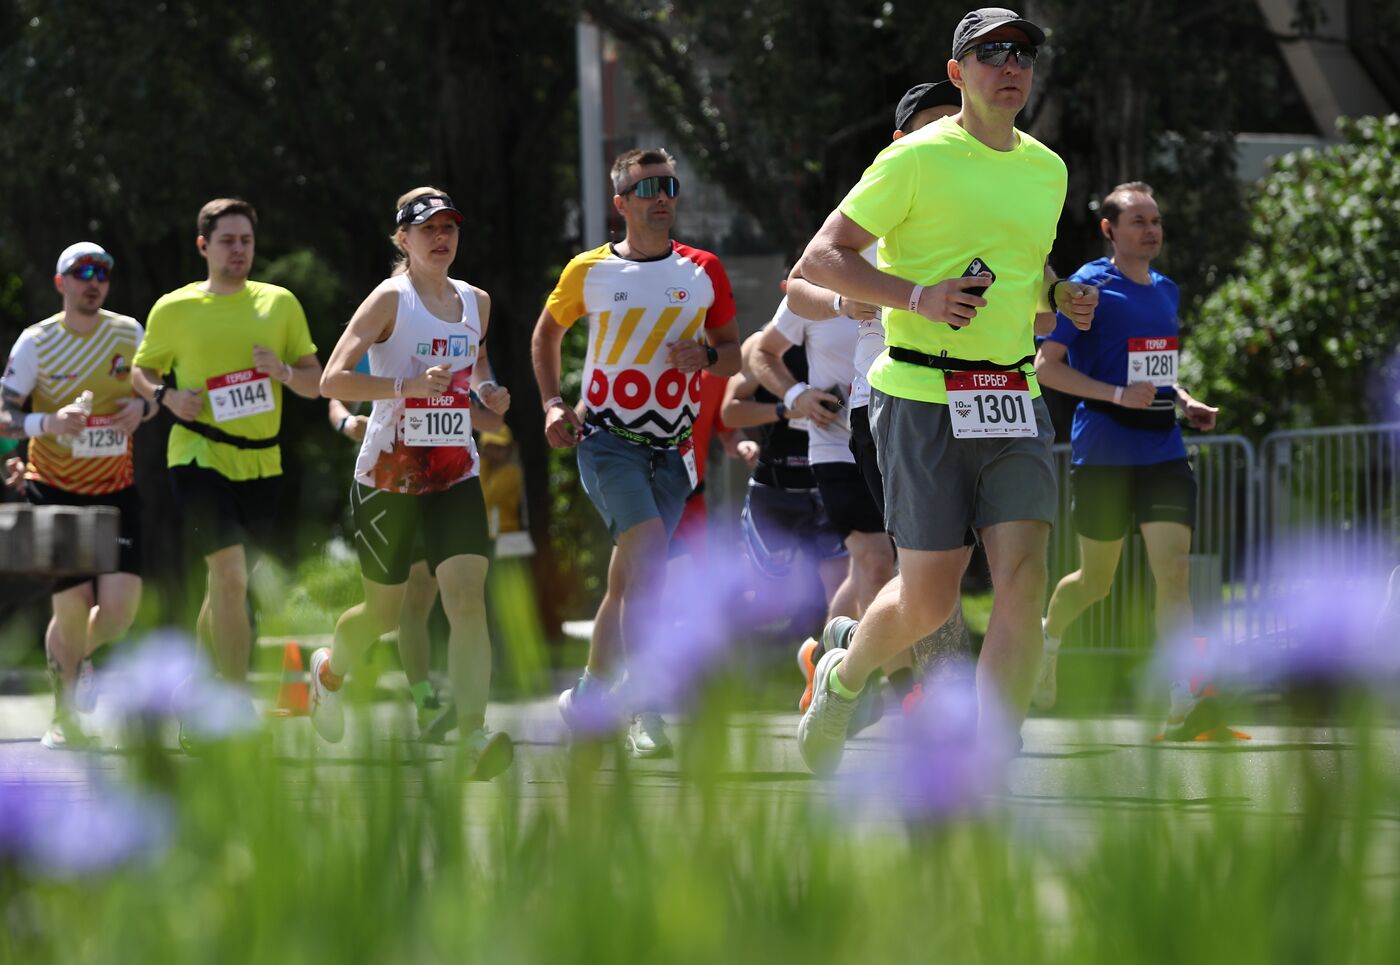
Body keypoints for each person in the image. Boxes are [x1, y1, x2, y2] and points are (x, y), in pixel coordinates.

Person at [792, 8, 1100, 775]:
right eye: (991, 52)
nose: (1011, 65)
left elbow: (1025, 274)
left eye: (1023, 53)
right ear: (958, 73)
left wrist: (1058, 300)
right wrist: (916, 295)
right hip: (921, 393)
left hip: (1012, 392)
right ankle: (845, 673)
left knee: (1023, 576)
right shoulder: (917, 159)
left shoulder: (1047, 169)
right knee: (929, 600)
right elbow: (823, 258)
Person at [532, 148, 740, 758]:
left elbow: (733, 351)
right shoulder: (588, 270)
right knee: (648, 562)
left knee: (627, 581)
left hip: (672, 452)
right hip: (607, 442)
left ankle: (588, 696)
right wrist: (550, 404)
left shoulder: (703, 270)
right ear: (621, 203)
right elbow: (547, 333)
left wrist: (705, 358)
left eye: (669, 185)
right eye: (646, 187)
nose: (661, 196)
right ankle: (643, 708)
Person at [782, 82, 977, 717]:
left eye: (958, 121)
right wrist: (845, 300)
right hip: (891, 402)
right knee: (922, 563)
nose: (951, 133)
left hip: (974, 398)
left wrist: (1056, 304)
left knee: (945, 566)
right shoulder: (886, 199)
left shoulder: (984, 205)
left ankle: (847, 652)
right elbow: (800, 284)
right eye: (935, 124)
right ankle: (937, 705)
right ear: (901, 141)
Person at [312, 187, 514, 776]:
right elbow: (332, 380)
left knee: (467, 599)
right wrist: (403, 388)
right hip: (390, 476)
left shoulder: (476, 300)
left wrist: (487, 392)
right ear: (403, 239)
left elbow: (475, 370)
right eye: (427, 228)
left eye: (449, 226)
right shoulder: (389, 300)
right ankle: (329, 672)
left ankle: (473, 734)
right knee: (382, 613)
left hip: (455, 472)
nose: (441, 237)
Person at [1033, 181, 1219, 737]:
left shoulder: (1167, 290)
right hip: (1105, 451)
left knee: (1175, 573)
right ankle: (1049, 639)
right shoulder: (1089, 286)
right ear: (1110, 230)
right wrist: (1116, 396)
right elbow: (1046, 366)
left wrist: (1184, 401)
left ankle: (1180, 697)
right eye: (1138, 221)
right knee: (1096, 581)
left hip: (1162, 448)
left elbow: (1152, 371)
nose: (1151, 229)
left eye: (1155, 220)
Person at [133, 199, 322, 728]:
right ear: (203, 246)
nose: (238, 251)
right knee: (231, 574)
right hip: (196, 454)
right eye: (227, 241)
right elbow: (141, 374)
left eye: (246, 241)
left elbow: (317, 381)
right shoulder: (174, 308)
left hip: (261, 463)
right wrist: (168, 398)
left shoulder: (279, 303)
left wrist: (282, 370)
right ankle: (235, 704)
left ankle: (203, 677)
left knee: (226, 586)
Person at [1, 242, 152, 748]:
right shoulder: (36, 342)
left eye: (103, 272)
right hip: (54, 489)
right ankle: (64, 712)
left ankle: (77, 660)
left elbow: (157, 395)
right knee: (71, 606)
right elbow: (5, 414)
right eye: (82, 271)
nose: (94, 280)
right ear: (60, 281)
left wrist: (142, 411)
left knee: (119, 611)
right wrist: (50, 422)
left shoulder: (129, 333)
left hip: (117, 490)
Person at [721, 333, 849, 651]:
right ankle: (726, 658)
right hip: (775, 488)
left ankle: (834, 671)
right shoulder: (763, 344)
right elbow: (730, 412)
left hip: (830, 484)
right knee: (767, 600)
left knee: (842, 588)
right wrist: (784, 409)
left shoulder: (847, 331)